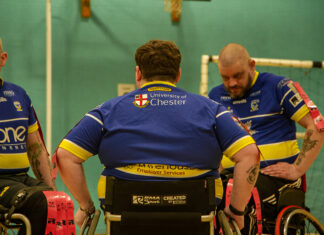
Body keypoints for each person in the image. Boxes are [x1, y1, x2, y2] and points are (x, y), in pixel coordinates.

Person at [55, 39, 260, 230]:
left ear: (138, 73)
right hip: (195, 219)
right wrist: (235, 211)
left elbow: (65, 156)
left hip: (125, 219)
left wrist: (86, 206)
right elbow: (250, 154)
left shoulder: (108, 111)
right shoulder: (212, 110)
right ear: (178, 74)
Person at [208, 43, 324, 233]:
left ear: (252, 65)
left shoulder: (279, 87)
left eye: (237, 75)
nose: (232, 83)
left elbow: (317, 125)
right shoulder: (215, 95)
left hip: (274, 179)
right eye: (225, 77)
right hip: (230, 176)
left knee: (239, 193)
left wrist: (297, 168)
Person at [0, 38, 56, 234]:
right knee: (39, 201)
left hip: (21, 178)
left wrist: (51, 187)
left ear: (3, 58)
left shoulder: (18, 95)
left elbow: (35, 148)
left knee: (57, 202)